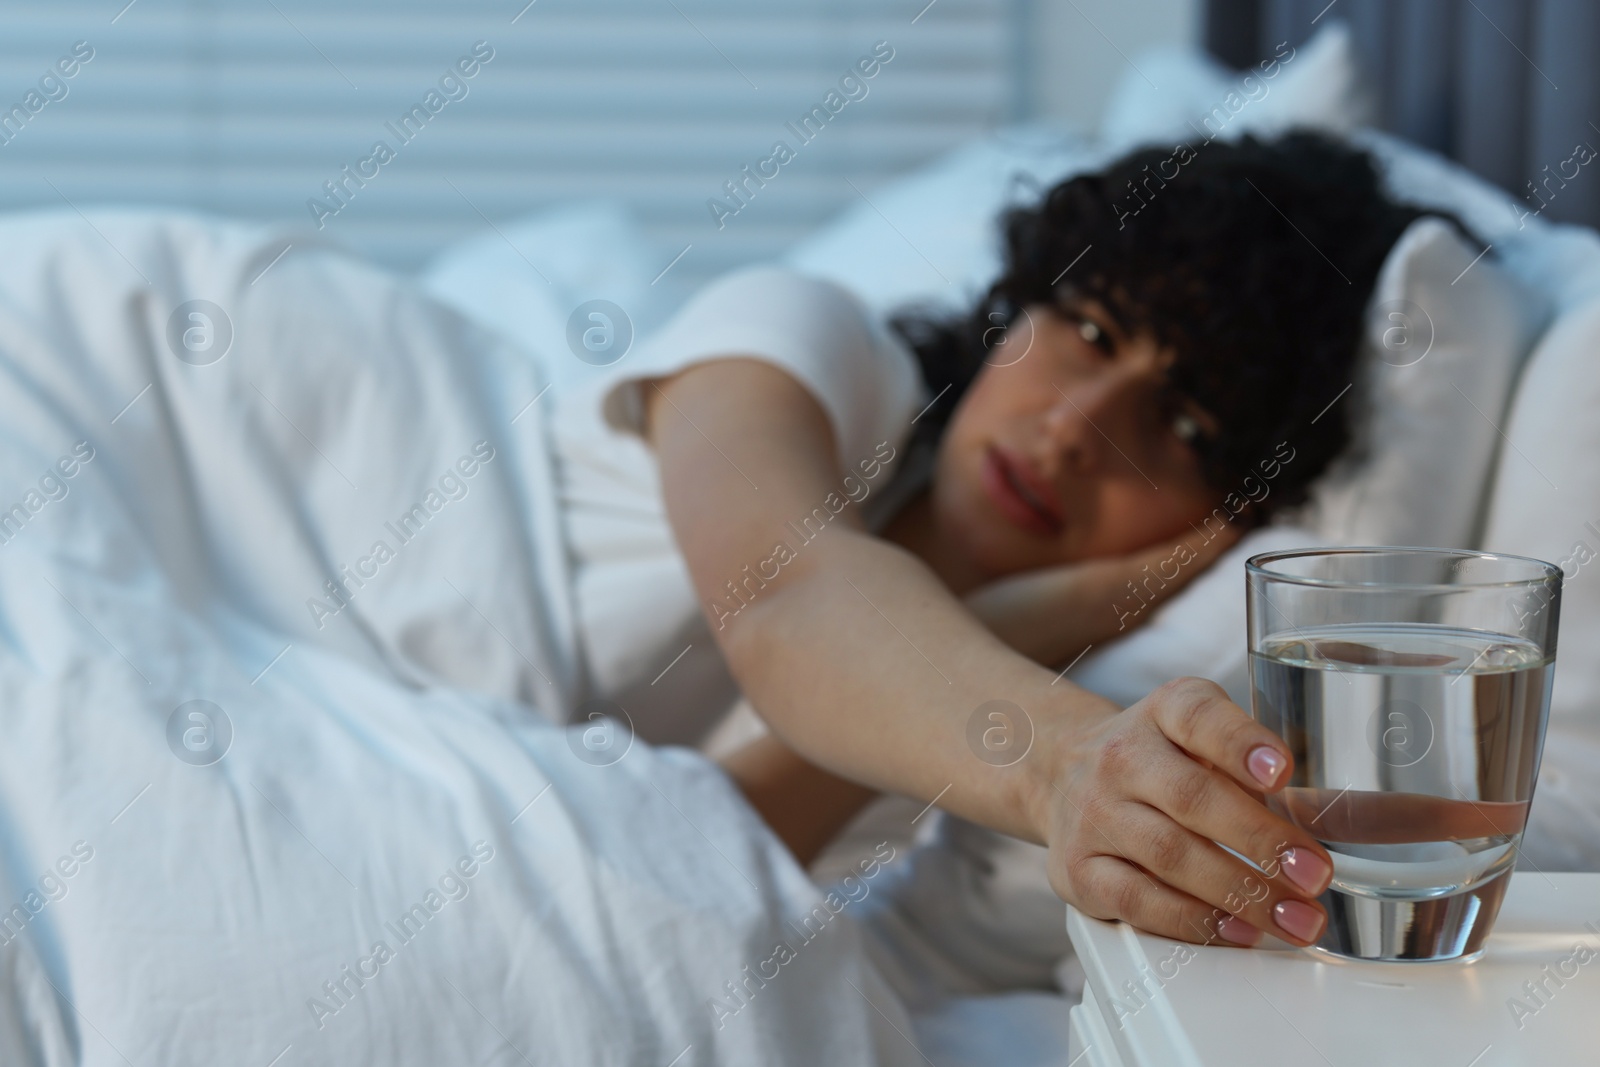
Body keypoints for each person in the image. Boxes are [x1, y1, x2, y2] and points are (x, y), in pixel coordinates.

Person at [556, 129, 1450, 955]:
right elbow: (784, 594)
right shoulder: (805, 339)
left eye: (1180, 424)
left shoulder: (965, 763)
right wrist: (1061, 764)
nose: (1074, 429)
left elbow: (671, 872)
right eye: (1092, 331)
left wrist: (1009, 632)